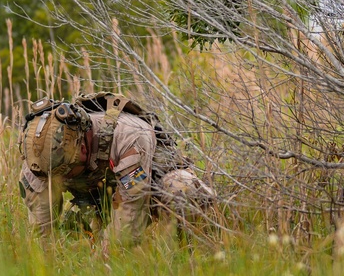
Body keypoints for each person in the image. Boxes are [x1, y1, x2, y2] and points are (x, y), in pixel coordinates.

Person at [18, 92, 214, 241]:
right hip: (98, 199)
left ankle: (195, 253)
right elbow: (41, 234)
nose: (59, 180)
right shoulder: (39, 156)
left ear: (83, 149)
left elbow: (131, 212)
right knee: (73, 237)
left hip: (149, 191)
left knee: (181, 188)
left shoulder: (128, 135)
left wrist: (102, 265)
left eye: (65, 173)